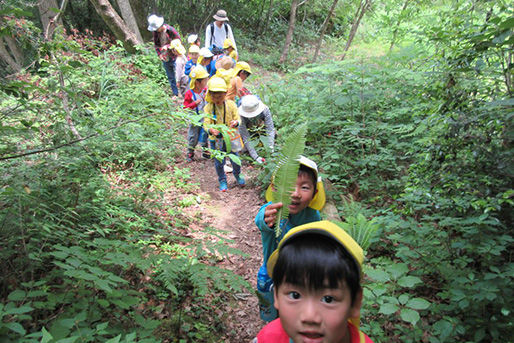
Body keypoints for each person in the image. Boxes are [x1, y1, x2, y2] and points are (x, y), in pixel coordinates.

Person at [253, 220, 374, 343]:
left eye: (328, 299)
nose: (309, 316)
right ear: (276, 296)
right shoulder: (269, 338)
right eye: (295, 295)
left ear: (355, 302)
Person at [255, 155, 326, 321]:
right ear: (275, 188)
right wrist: (267, 219)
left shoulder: (313, 216)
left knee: (294, 316)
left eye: (305, 187)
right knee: (270, 314)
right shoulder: (271, 210)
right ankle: (270, 325)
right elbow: (261, 220)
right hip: (271, 274)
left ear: (315, 193)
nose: (295, 194)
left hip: (299, 275)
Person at [203, 76, 245, 191]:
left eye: (220, 96)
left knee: (235, 159)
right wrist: (211, 130)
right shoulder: (208, 108)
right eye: (214, 96)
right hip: (216, 139)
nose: (217, 99)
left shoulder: (231, 105)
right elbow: (206, 124)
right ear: (210, 94)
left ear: (225, 93)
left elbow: (238, 118)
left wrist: (235, 122)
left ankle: (238, 175)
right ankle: (222, 180)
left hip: (230, 138)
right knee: (219, 162)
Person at [147, 14, 181, 96]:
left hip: (174, 55)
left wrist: (168, 46)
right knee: (170, 76)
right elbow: (156, 45)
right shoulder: (156, 33)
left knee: (179, 75)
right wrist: (159, 54)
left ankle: (183, 93)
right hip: (165, 57)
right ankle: (175, 94)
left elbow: (179, 41)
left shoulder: (170, 30)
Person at [237, 95, 275, 164]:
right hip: (248, 128)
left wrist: (270, 148)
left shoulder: (265, 110)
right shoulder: (240, 115)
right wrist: (255, 156)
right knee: (243, 148)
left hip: (259, 127)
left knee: (270, 137)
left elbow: (270, 128)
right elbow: (245, 135)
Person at [183, 66, 209, 161]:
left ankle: (205, 151)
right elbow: (185, 106)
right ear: (197, 82)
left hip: (204, 116)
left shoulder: (205, 90)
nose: (206, 82)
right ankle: (190, 152)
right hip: (194, 118)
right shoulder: (189, 93)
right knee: (193, 135)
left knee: (204, 133)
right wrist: (194, 103)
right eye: (204, 80)